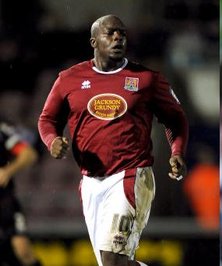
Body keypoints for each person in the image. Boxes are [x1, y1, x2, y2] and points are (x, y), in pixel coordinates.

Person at [38, 15, 189, 266]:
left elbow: (175, 118)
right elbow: (47, 119)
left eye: (122, 33)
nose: (118, 37)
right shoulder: (69, 79)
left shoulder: (147, 79)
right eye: (110, 33)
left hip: (130, 174)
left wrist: (177, 151)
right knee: (114, 263)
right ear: (94, 41)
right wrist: (52, 140)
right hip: (91, 182)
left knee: (113, 260)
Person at [0, 119, 41, 266]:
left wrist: (7, 171)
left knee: (23, 250)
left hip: (5, 202)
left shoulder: (2, 131)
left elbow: (29, 154)